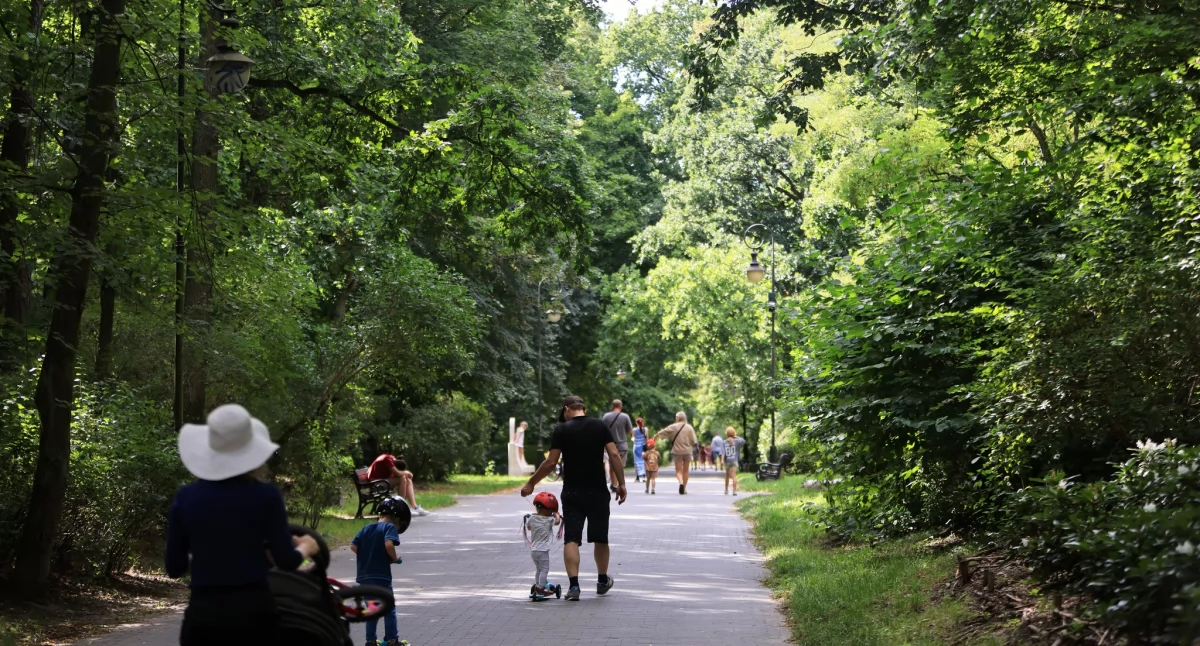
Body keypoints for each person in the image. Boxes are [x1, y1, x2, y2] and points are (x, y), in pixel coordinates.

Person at [167, 403, 321, 646]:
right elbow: (286, 561)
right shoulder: (266, 496)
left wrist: (211, 557)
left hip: (203, 618)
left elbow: (174, 567)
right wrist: (307, 547)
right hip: (254, 615)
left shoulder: (186, 498)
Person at [522, 395, 627, 601]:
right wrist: (621, 484)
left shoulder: (562, 429)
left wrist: (531, 482)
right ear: (584, 408)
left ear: (566, 409)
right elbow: (614, 455)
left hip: (572, 492)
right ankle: (602, 580)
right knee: (600, 537)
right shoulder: (600, 426)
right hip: (597, 491)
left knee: (571, 538)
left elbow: (551, 462)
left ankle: (574, 587)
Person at [350, 497, 407, 646]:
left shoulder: (366, 528)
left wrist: (368, 556)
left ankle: (370, 641)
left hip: (364, 576)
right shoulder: (389, 528)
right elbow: (389, 544)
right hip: (381, 576)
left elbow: (353, 547)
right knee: (389, 608)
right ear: (396, 517)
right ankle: (392, 640)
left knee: (372, 609)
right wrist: (394, 558)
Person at [524, 491, 562, 600]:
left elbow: (529, 527)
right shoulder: (549, 520)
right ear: (549, 510)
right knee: (544, 570)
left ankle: (538, 585)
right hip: (543, 550)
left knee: (538, 570)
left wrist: (534, 518)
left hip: (534, 550)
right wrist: (557, 515)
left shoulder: (532, 518)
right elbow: (558, 522)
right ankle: (541, 588)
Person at [654, 412, 698, 495]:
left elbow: (662, 432)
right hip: (688, 452)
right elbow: (694, 441)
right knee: (686, 471)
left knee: (678, 471)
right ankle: (684, 488)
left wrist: (655, 437)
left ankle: (681, 482)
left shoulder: (674, 426)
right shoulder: (689, 427)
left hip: (677, 451)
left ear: (678, 418)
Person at [601, 399, 633, 488]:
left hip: (609, 445)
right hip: (622, 445)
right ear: (621, 406)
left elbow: (602, 430)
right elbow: (630, 431)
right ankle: (620, 484)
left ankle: (614, 484)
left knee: (612, 465)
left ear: (612, 406)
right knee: (620, 465)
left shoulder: (606, 416)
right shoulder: (625, 416)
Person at [723, 427, 747, 495]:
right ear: (734, 433)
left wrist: (722, 460)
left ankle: (726, 490)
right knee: (734, 475)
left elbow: (723, 452)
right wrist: (735, 436)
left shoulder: (724, 442)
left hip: (727, 461)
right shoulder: (737, 442)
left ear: (727, 434)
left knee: (727, 475)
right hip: (734, 460)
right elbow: (743, 441)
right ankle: (734, 491)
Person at [632, 417, 649, 482]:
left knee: (636, 462)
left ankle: (637, 477)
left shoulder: (634, 430)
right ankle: (644, 476)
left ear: (636, 423)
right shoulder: (646, 429)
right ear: (643, 422)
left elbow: (633, 439)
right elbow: (647, 439)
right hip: (643, 447)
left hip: (636, 447)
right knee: (643, 461)